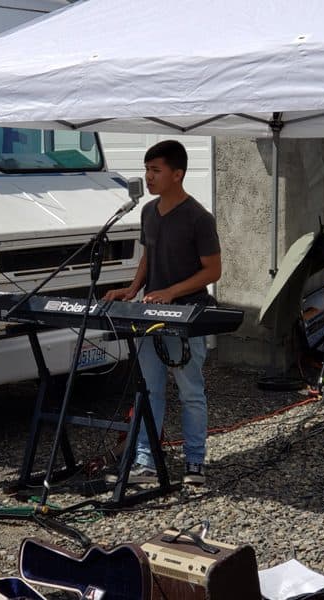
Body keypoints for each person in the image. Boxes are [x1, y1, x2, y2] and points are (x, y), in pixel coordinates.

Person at [104, 140, 221, 485]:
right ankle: (146, 462)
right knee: (149, 390)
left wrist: (171, 292)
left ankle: (195, 462)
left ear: (177, 174)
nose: (148, 177)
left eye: (155, 170)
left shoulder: (199, 218)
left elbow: (212, 271)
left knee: (189, 390)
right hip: (150, 316)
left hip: (186, 316)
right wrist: (132, 288)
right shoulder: (147, 212)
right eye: (147, 170)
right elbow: (148, 256)